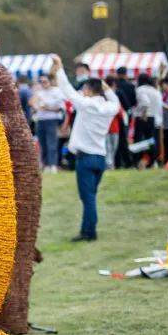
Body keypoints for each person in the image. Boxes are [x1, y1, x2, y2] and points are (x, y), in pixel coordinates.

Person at [51, 55, 120, 242]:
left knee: (87, 198)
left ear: (88, 90)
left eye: (84, 89)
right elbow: (117, 103)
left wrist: (59, 68)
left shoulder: (86, 104)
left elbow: (66, 90)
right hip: (100, 157)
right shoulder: (109, 107)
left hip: (86, 158)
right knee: (91, 196)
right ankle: (87, 229)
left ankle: (89, 232)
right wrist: (106, 87)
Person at [31, 74, 65, 172]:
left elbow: (58, 107)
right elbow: (33, 104)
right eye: (41, 82)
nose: (43, 84)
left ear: (50, 81)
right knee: (42, 143)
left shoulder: (57, 91)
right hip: (41, 119)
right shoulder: (39, 92)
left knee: (52, 143)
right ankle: (45, 164)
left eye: (45, 81)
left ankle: (53, 164)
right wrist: (46, 106)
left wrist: (46, 106)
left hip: (52, 120)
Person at [133, 74, 163, 168]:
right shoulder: (155, 90)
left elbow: (145, 102)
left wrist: (144, 114)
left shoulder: (141, 89)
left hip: (144, 117)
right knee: (151, 140)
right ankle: (153, 161)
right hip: (154, 118)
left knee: (139, 140)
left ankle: (138, 161)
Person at [114, 67, 137, 169]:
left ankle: (118, 162)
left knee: (116, 139)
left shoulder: (115, 86)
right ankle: (128, 162)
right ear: (126, 74)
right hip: (126, 115)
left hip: (115, 116)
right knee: (124, 139)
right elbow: (133, 102)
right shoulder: (131, 86)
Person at [103, 76, 126, 169]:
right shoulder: (104, 100)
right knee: (109, 148)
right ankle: (109, 165)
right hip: (108, 128)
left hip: (114, 128)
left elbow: (120, 113)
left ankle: (110, 164)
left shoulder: (114, 101)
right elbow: (120, 113)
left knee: (112, 148)